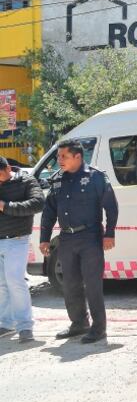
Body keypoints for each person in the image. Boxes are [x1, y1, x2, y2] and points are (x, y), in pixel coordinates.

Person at [39, 139, 119, 344]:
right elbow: (49, 211)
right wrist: (44, 238)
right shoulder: (57, 180)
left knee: (92, 284)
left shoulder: (95, 176)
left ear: (78, 156)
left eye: (63, 156)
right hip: (66, 238)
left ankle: (98, 328)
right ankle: (79, 323)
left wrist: (109, 233)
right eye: (58, 156)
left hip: (90, 237)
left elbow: (111, 206)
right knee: (70, 284)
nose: (59, 160)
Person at [0, 156, 44, 343]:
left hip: (17, 240)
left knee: (15, 281)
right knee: (1, 285)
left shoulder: (26, 180)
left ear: (8, 168)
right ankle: (6, 323)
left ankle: (25, 326)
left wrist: (5, 206)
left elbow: (37, 203)